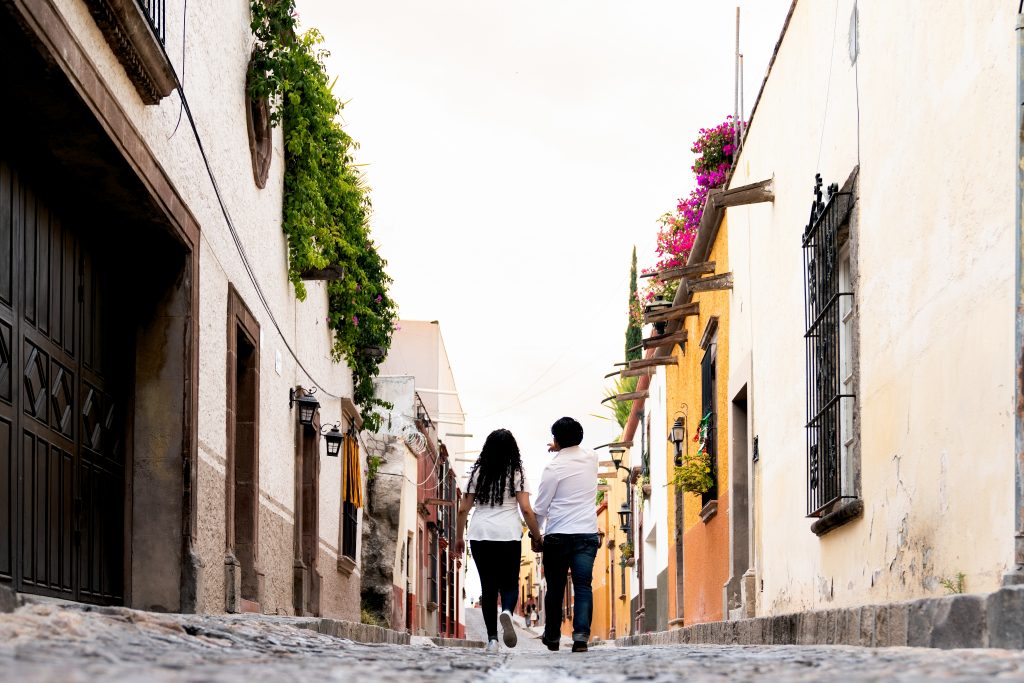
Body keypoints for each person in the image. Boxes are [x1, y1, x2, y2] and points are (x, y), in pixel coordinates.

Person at [454, 429, 543, 654]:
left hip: (480, 533)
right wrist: (537, 536)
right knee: (510, 583)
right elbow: (526, 509)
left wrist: (458, 538)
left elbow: (464, 508)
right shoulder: (517, 472)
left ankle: (492, 640)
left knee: (488, 586)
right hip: (508, 534)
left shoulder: (477, 473)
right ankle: (507, 612)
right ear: (512, 449)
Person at [532, 416, 599, 653]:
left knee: (556, 588)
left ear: (557, 440)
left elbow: (540, 507)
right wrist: (561, 446)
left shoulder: (553, 468)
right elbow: (575, 452)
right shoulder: (592, 459)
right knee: (583, 586)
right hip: (586, 534)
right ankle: (580, 638)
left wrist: (535, 535)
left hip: (558, 535)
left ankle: (552, 636)